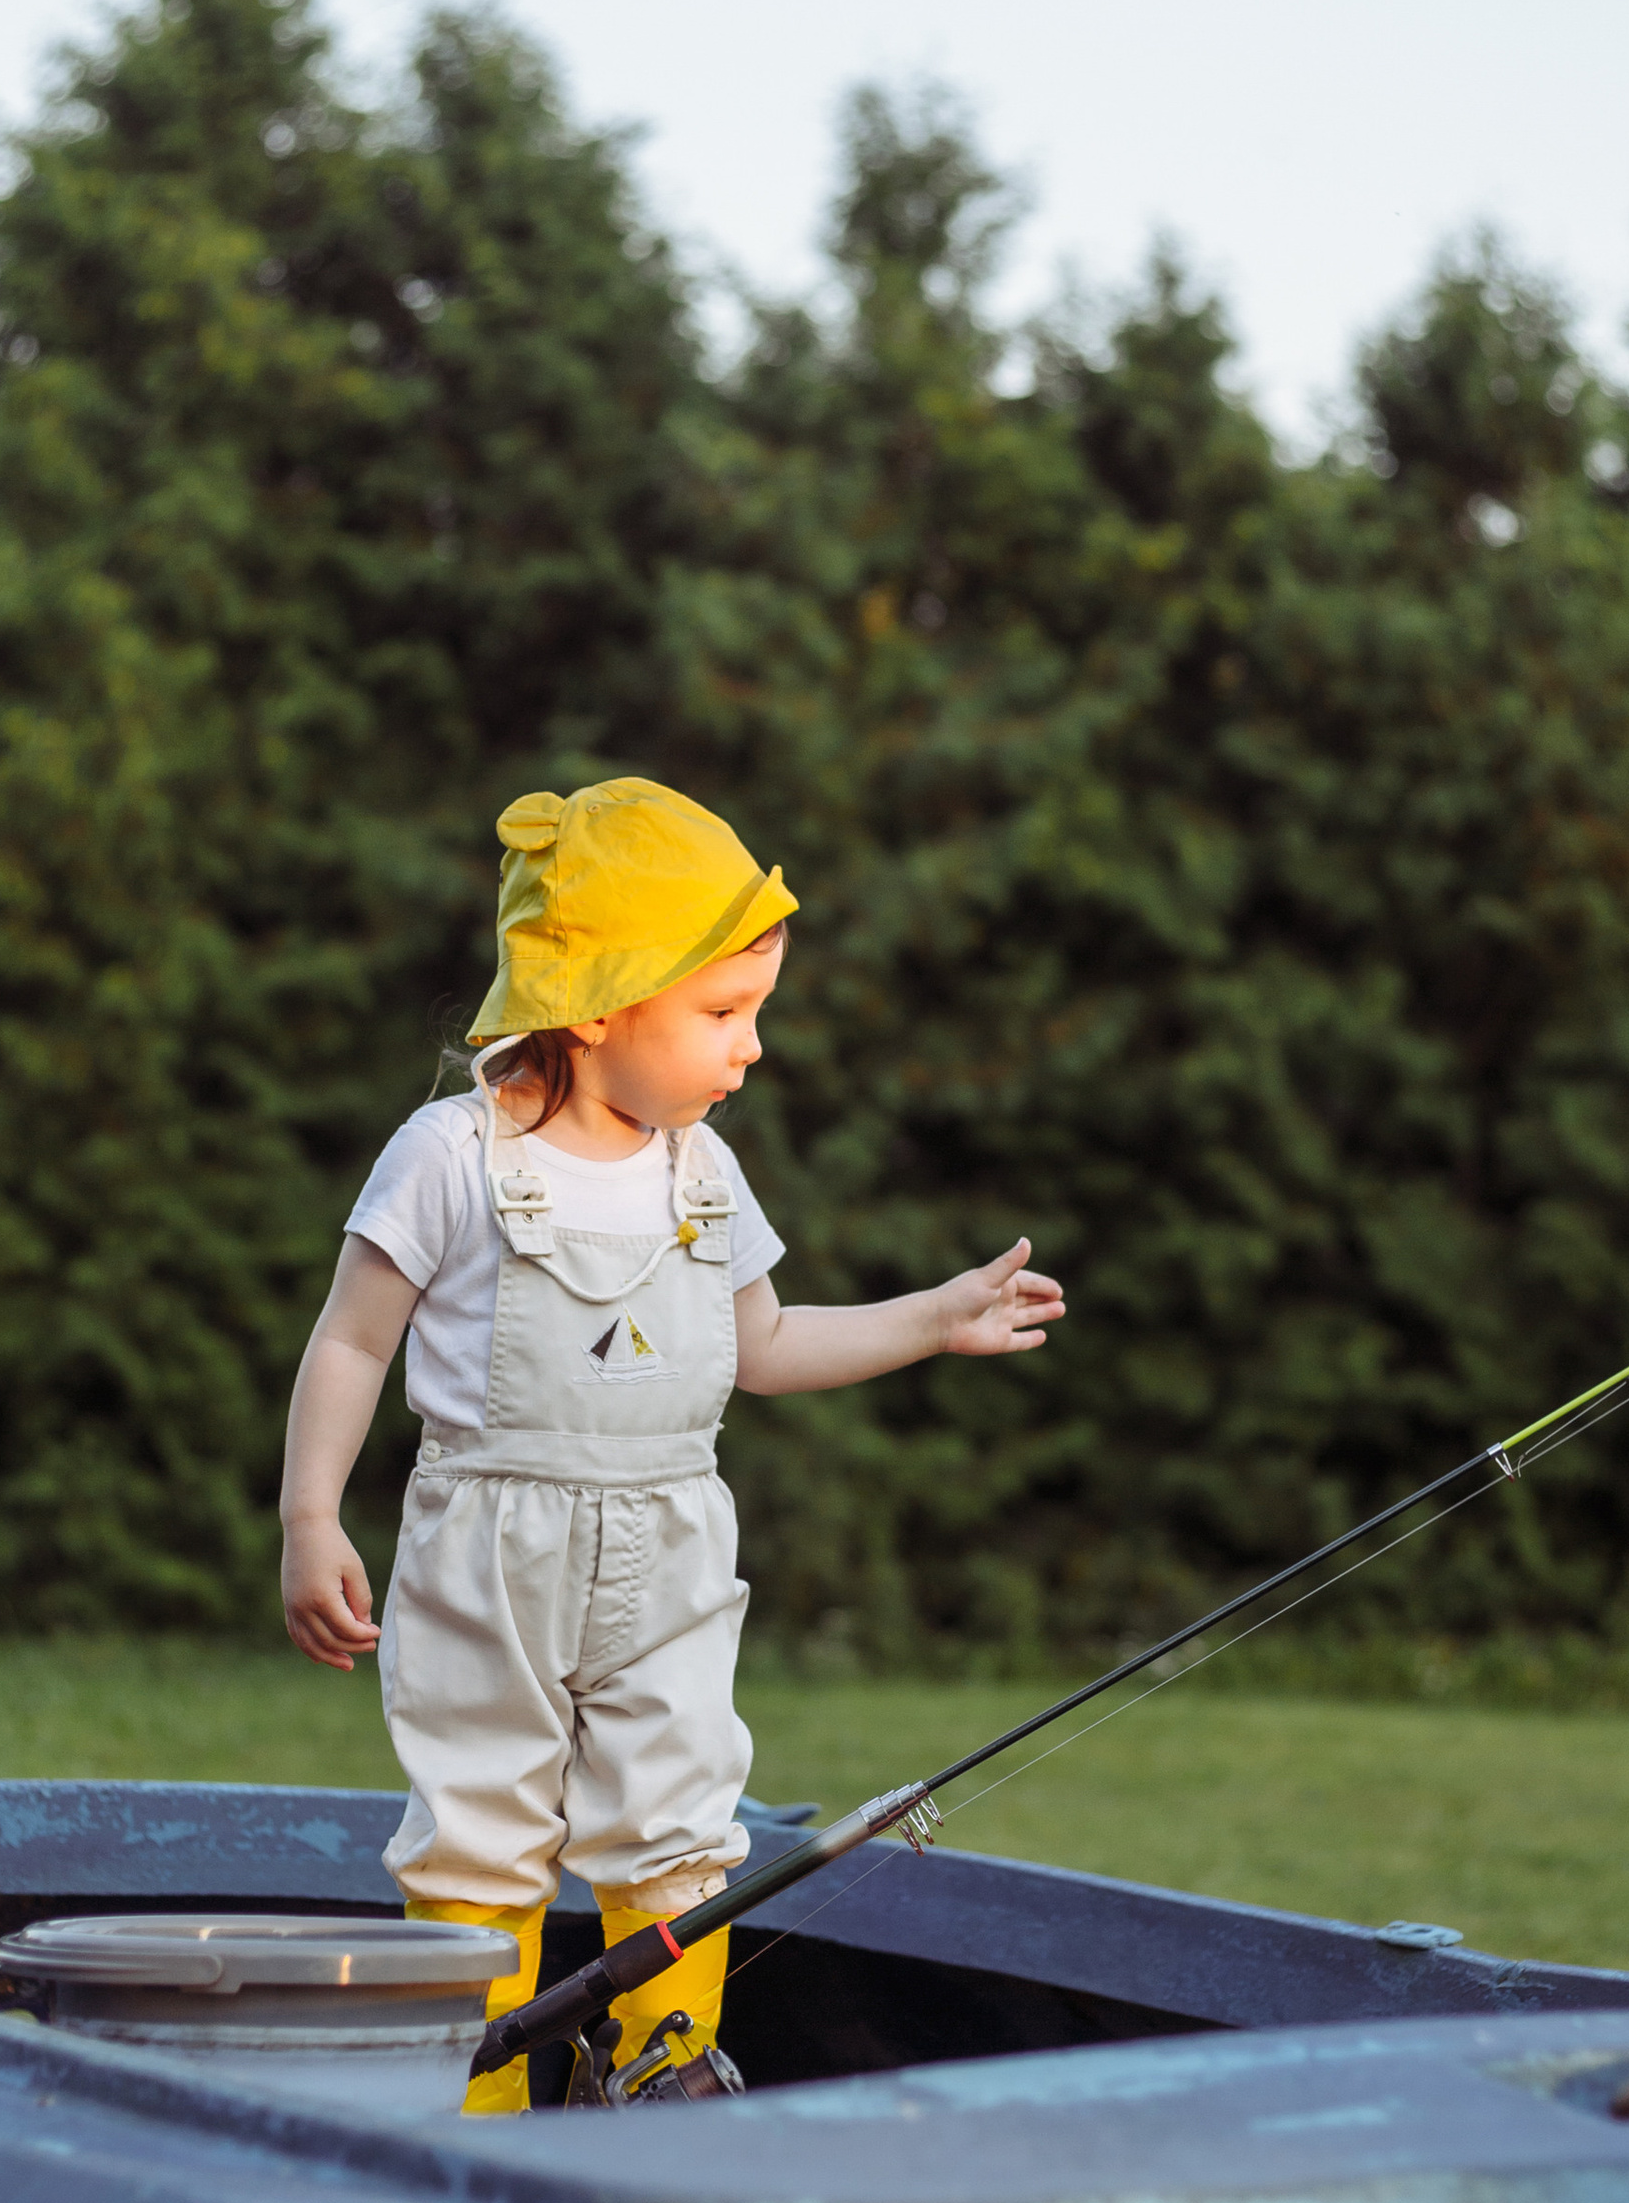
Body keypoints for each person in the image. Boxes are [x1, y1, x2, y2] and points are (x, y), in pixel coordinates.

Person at [278, 776, 1064, 2111]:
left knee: (678, 1811)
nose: (748, 1049)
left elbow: (762, 1347)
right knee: (480, 1822)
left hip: (668, 1545)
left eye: (752, 1015)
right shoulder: (452, 1157)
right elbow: (352, 1340)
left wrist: (935, 1319)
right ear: (597, 1007)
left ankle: (660, 2071)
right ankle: (473, 2099)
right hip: (491, 1553)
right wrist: (310, 1515)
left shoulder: (701, 1169)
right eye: (721, 1014)